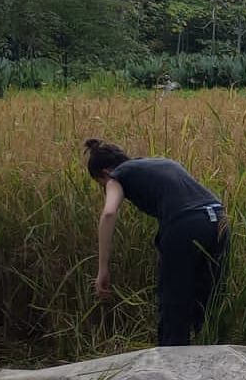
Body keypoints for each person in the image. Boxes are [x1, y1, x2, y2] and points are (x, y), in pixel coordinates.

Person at [84, 138, 229, 346]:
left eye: (101, 185)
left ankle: (173, 367)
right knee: (208, 301)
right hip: (219, 220)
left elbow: (108, 214)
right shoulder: (161, 162)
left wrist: (102, 269)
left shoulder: (117, 176)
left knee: (174, 305)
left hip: (185, 225)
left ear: (105, 173)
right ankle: (213, 359)